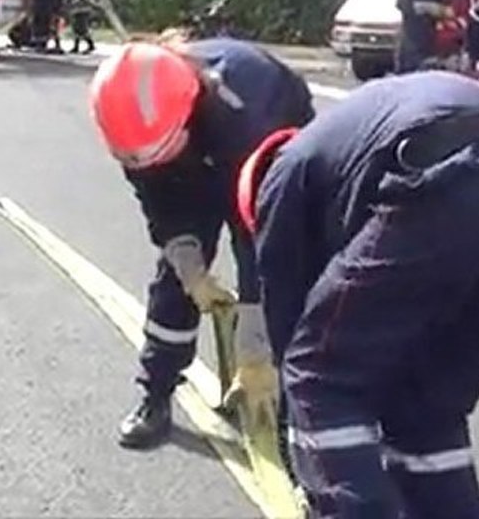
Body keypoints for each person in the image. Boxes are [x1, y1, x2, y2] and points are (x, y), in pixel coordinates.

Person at [236, 69, 479, 518]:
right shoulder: (347, 146)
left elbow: (294, 329)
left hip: (448, 168)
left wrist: (304, 461)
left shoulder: (280, 180)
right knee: (426, 400)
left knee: (319, 378)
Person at [88, 36, 315, 448]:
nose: (153, 164)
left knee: (282, 284)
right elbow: (160, 203)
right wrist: (190, 267)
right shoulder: (136, 124)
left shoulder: (247, 114)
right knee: (173, 284)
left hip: (268, 151)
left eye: (161, 152)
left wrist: (254, 347)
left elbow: (261, 240)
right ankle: (156, 392)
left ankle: (281, 403)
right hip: (197, 157)